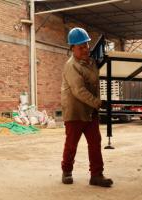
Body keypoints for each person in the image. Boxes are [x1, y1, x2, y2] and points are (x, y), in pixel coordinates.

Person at [61, 27, 113, 187]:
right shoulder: (71, 66)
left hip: (90, 111)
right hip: (75, 111)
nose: (85, 49)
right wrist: (98, 102)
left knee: (95, 142)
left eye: (86, 46)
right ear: (72, 48)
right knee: (71, 144)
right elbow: (79, 91)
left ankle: (96, 175)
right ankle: (67, 171)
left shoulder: (90, 63)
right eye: (81, 47)